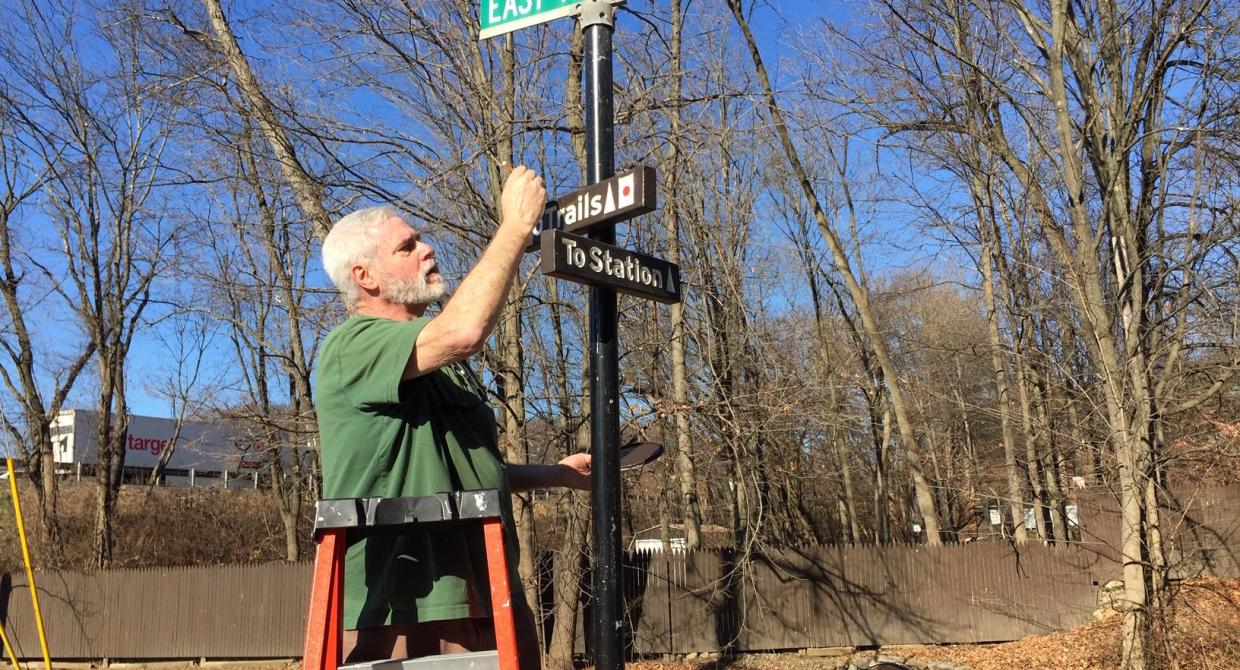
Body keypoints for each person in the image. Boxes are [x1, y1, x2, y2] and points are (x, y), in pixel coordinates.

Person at [315, 165, 589, 668]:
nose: (428, 249)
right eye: (407, 246)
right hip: (415, 601)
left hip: (491, 588)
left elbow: (462, 472)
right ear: (365, 277)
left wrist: (556, 475)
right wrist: (515, 226)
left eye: (421, 240)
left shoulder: (441, 371)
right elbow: (464, 330)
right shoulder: (350, 346)